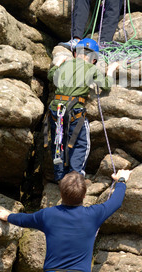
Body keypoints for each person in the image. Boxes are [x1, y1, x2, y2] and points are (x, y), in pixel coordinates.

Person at [0, 168, 131, 272]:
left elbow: (25, 219)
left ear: (61, 194)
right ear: (84, 195)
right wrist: (122, 180)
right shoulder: (93, 215)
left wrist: (8, 216)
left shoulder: (47, 215)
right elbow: (116, 201)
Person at [45, 37, 119, 182]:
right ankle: (74, 176)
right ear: (93, 59)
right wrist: (110, 70)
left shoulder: (65, 65)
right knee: (80, 144)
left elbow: (50, 76)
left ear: (74, 54)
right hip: (75, 111)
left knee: (58, 142)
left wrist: (57, 65)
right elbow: (106, 85)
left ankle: (60, 176)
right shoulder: (91, 68)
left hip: (56, 111)